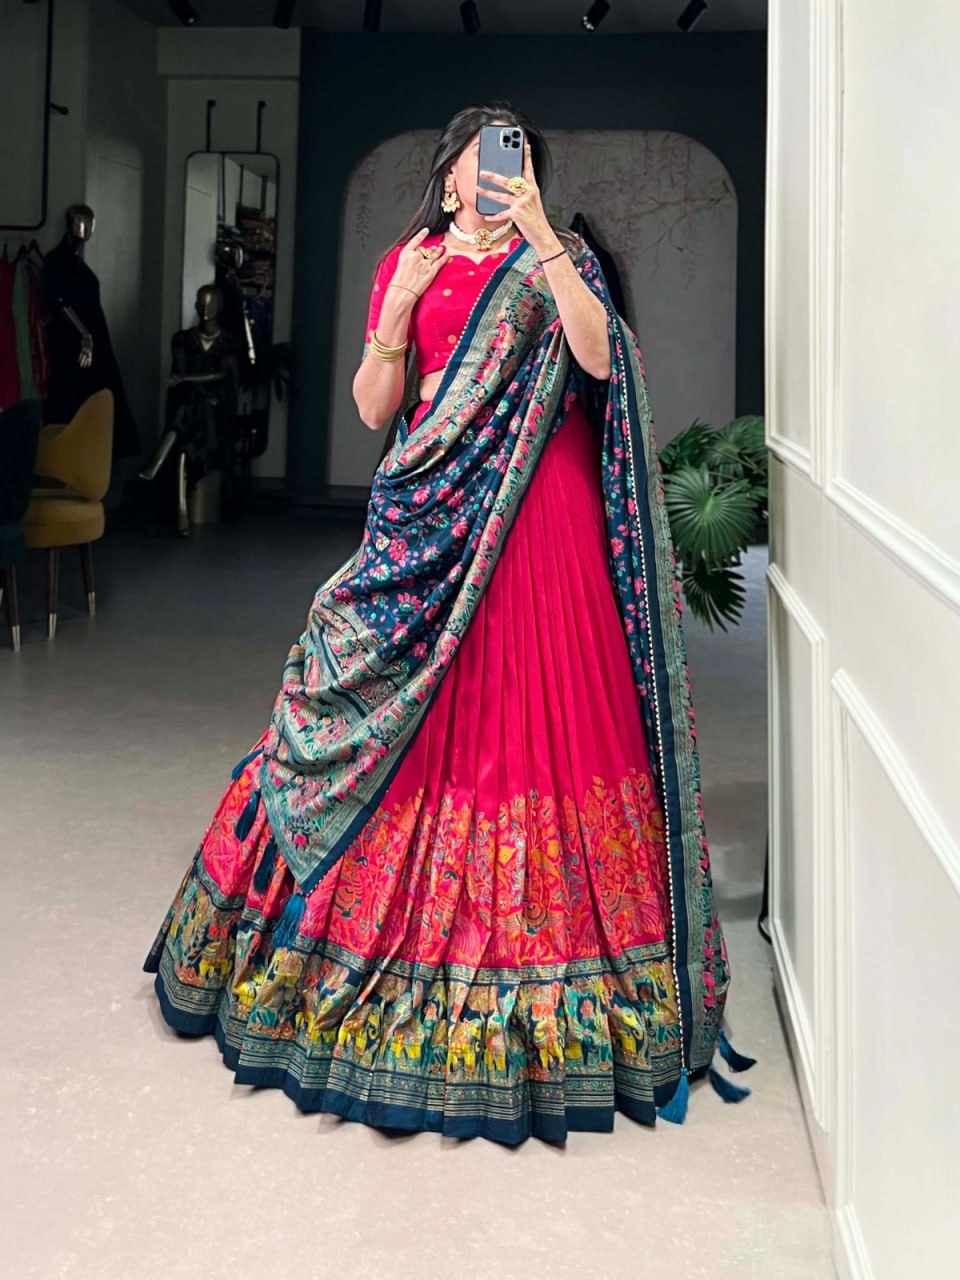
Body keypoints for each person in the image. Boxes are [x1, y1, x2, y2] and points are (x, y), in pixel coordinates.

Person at [142, 103, 757, 1146]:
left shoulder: (557, 261)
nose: (502, 172)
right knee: (384, 716)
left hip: (544, 523)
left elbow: (601, 364)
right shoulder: (409, 263)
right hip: (431, 527)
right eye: (485, 157)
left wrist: (547, 241)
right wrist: (396, 312)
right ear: (449, 175)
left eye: (519, 157)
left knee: (545, 726)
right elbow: (375, 408)